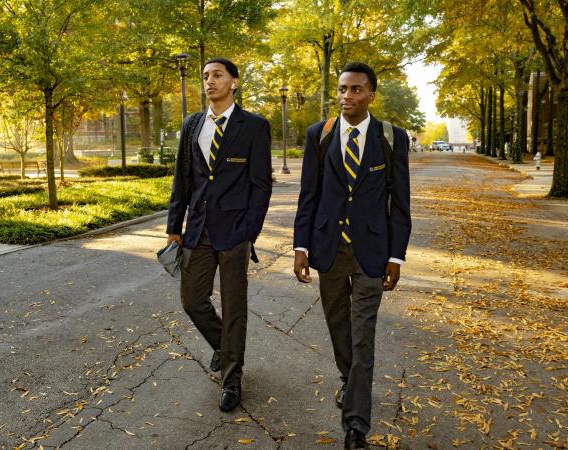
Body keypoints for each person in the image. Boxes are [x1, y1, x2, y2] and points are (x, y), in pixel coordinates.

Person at [292, 62, 412, 449]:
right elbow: (309, 194)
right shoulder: (320, 135)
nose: (348, 96)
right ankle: (351, 379)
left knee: (364, 336)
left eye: (356, 90)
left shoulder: (392, 138)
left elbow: (400, 202)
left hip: (371, 252)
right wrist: (301, 247)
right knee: (338, 326)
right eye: (343, 89)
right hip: (329, 247)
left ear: (371, 94)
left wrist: (397, 256)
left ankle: (356, 424)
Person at [166, 57, 272, 412]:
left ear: (234, 83)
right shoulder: (193, 123)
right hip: (197, 229)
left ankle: (232, 379)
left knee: (234, 305)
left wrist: (249, 232)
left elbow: (260, 185)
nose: (209, 81)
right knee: (192, 300)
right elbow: (182, 180)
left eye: (217, 75)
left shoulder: (254, 126)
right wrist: (173, 229)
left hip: (234, 233)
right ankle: (225, 349)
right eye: (206, 76)